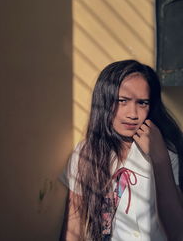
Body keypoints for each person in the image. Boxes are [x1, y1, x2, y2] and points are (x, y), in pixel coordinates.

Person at [60, 60, 183, 241]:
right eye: (122, 101)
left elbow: (177, 232)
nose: (132, 114)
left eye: (142, 103)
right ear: (104, 100)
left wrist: (160, 159)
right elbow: (74, 226)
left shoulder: (168, 150)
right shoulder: (86, 153)